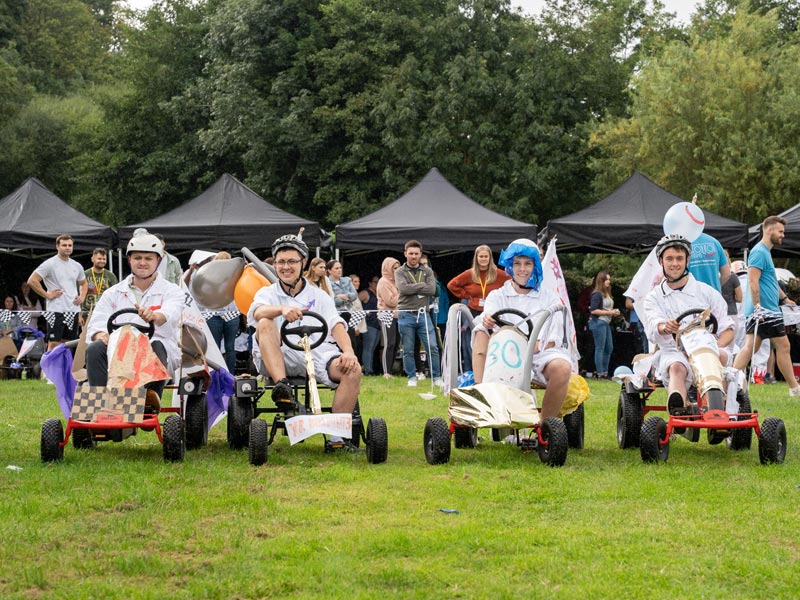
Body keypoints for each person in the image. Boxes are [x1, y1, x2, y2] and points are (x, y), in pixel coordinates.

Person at [248, 234, 361, 451]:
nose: (286, 267)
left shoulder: (320, 296)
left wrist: (348, 352)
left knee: (353, 370)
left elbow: (336, 325)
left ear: (303, 263)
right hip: (279, 354)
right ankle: (283, 387)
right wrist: (281, 310)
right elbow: (258, 311)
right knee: (264, 321)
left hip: (317, 352)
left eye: (291, 261)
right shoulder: (267, 293)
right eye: (281, 262)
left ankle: (337, 439)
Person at [471, 238, 571, 420]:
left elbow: (554, 335)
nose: (522, 269)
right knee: (479, 329)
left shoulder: (550, 298)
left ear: (536, 266)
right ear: (510, 266)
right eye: (517, 263)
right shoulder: (498, 295)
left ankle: (546, 425)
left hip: (539, 353)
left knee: (563, 367)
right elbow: (490, 314)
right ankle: (481, 393)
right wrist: (487, 320)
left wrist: (535, 345)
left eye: (527, 264)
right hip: (503, 354)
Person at [84, 230, 185, 403]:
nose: (142, 263)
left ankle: (149, 400)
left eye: (148, 258)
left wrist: (155, 316)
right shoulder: (113, 292)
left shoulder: (172, 291)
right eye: (138, 258)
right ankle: (99, 402)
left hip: (156, 348)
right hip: (118, 351)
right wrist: (100, 334)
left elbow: (171, 313)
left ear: (158, 261)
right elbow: (98, 321)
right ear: (129, 259)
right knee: (94, 348)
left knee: (157, 345)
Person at [642, 235, 735, 414]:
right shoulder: (654, 297)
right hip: (673, 351)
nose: (674, 264)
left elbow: (727, 328)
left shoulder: (707, 292)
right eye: (669, 259)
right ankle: (679, 407)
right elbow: (654, 324)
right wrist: (664, 327)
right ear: (661, 261)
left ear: (687, 260)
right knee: (677, 366)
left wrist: (716, 345)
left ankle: (717, 408)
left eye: (679, 258)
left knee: (720, 357)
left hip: (706, 349)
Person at [732, 216, 800, 396]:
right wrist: (758, 307)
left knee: (750, 347)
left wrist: (785, 299)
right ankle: (794, 388)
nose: (783, 235)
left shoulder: (764, 252)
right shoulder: (759, 252)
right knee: (783, 347)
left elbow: (770, 281)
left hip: (766, 310)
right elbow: (753, 282)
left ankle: (730, 379)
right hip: (765, 311)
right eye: (781, 231)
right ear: (769, 230)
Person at [447, 245, 509, 371]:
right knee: (473, 342)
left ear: (490, 258)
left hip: (493, 313)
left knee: (493, 340)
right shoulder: (470, 273)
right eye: (481, 256)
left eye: (486, 256)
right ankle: (472, 370)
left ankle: (493, 369)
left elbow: (512, 284)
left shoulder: (499, 274)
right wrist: (466, 296)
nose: (483, 259)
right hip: (474, 311)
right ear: (476, 258)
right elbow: (452, 285)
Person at [27, 234, 88, 351]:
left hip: (72, 310)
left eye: (70, 245)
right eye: (64, 245)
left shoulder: (77, 265)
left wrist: (82, 296)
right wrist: (47, 295)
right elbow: (32, 281)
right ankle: (47, 369)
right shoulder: (49, 264)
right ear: (57, 247)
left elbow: (84, 283)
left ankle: (64, 369)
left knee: (68, 344)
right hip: (55, 310)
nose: (67, 248)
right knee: (54, 343)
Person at [395, 240, 442, 387]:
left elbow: (432, 290)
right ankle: (412, 377)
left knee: (432, 347)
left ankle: (436, 377)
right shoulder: (399, 271)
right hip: (405, 313)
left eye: (416, 253)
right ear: (405, 254)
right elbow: (403, 290)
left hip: (423, 313)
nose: (413, 256)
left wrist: (414, 287)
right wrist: (422, 285)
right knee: (408, 349)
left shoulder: (427, 271)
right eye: (411, 253)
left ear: (420, 254)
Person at [205, 252, 240, 374]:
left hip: (228, 312)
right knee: (227, 347)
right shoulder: (209, 275)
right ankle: (224, 373)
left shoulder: (235, 274)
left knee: (221, 347)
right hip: (218, 313)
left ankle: (223, 374)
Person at [587, 271, 619, 378]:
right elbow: (594, 310)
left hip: (606, 322)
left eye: (609, 279)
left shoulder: (607, 293)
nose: (608, 281)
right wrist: (610, 312)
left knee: (609, 348)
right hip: (599, 322)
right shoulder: (597, 294)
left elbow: (606, 308)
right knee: (600, 347)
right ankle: (600, 373)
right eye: (606, 279)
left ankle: (605, 371)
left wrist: (613, 311)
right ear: (601, 281)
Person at [376, 257, 400, 378]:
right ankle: (386, 371)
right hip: (386, 315)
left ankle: (391, 370)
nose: (397, 270)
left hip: (398, 315)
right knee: (389, 343)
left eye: (398, 267)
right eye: (394, 268)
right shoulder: (383, 282)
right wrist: (402, 294)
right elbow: (390, 302)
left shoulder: (398, 281)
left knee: (396, 344)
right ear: (387, 268)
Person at [83, 248, 118, 315]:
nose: (102, 261)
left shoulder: (111, 276)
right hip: (87, 313)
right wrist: (79, 315)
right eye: (99, 259)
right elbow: (78, 294)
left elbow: (115, 296)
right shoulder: (85, 275)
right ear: (92, 259)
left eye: (104, 259)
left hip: (105, 313)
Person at [359, 275, 381, 375]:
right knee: (368, 347)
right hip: (369, 323)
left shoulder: (378, 293)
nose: (377, 284)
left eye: (378, 282)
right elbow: (355, 303)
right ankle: (367, 369)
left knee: (373, 348)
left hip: (377, 324)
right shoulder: (365, 293)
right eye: (375, 282)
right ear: (370, 283)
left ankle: (370, 368)